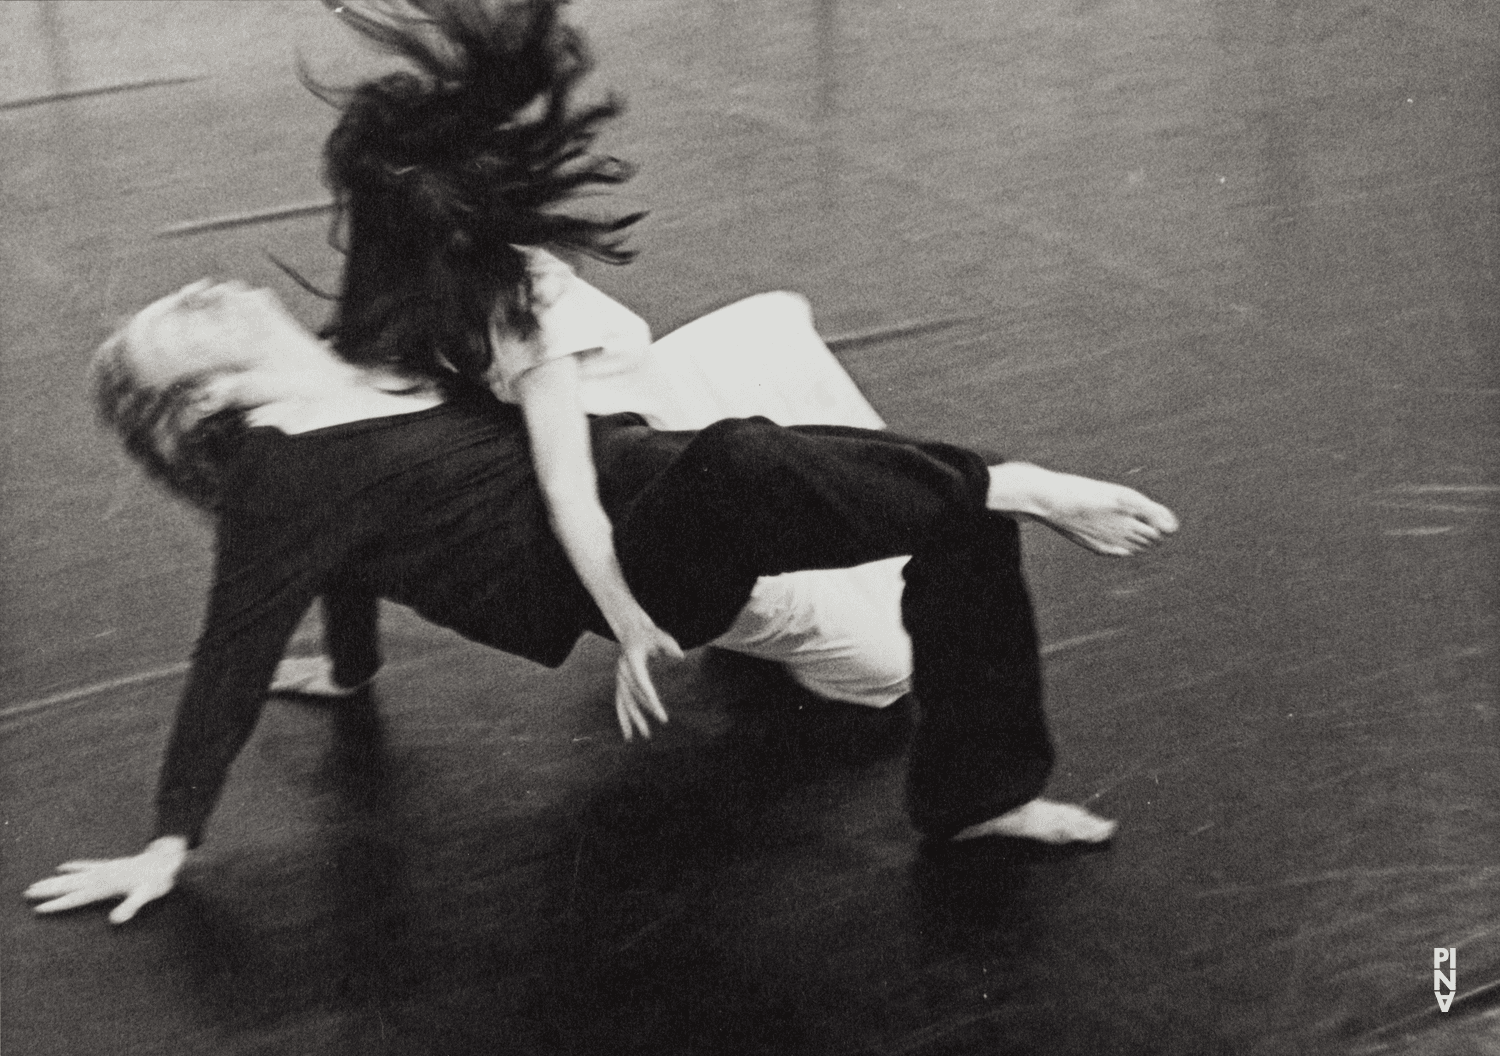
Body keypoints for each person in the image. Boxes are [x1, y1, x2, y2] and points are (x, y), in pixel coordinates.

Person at [25, 279, 1176, 923]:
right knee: (858, 628)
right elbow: (232, 649)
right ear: (201, 397)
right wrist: (170, 840)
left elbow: (352, 572)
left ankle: (980, 794)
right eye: (180, 319)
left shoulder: (360, 358)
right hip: (663, 573)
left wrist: (352, 670)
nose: (198, 289)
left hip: (652, 473)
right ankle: (973, 495)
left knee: (779, 356)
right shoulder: (279, 485)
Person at [282, 0, 916, 718]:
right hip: (676, 510)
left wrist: (348, 666)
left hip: (669, 417)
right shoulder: (527, 304)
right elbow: (569, 494)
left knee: (770, 323)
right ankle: (847, 572)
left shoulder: (390, 313)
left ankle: (877, 527)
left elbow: (339, 489)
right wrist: (630, 620)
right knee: (890, 671)